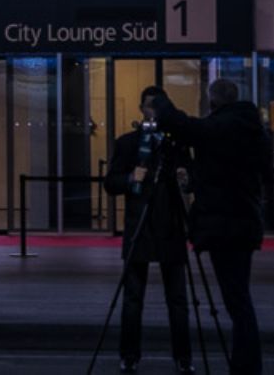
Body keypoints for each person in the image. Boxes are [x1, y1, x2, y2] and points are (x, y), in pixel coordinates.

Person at [152, 79, 272, 375]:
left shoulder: (223, 128)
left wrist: (160, 102)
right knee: (239, 296)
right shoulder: (253, 129)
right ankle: (246, 365)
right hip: (244, 221)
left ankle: (246, 367)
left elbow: (187, 127)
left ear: (213, 102)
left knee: (237, 300)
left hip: (225, 223)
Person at [103, 87, 194, 375]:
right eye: (149, 106)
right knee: (133, 299)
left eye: (158, 107)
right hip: (140, 226)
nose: (153, 112)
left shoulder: (175, 145)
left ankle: (183, 357)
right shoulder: (129, 144)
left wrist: (185, 179)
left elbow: (192, 180)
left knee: (177, 299)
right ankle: (129, 355)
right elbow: (111, 183)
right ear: (141, 108)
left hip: (170, 227)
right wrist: (131, 179)